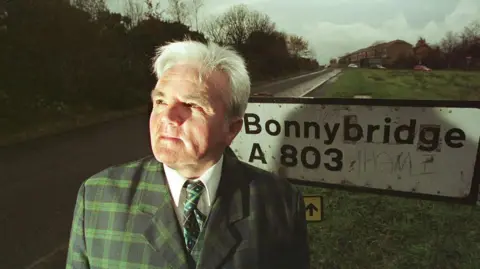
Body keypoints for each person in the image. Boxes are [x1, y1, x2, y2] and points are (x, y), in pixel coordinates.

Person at [66, 39, 310, 269]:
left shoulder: (280, 203)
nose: (168, 118)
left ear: (232, 128)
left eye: (192, 105)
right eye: (160, 102)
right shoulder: (97, 197)